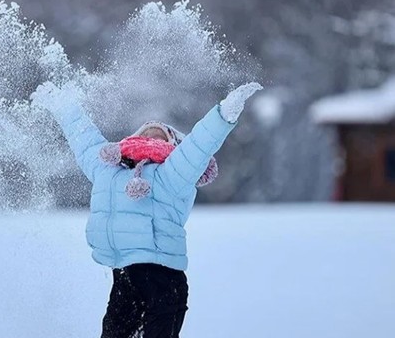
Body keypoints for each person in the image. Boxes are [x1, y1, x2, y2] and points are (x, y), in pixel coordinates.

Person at [31, 81, 262, 338]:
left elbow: (199, 145)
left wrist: (223, 114)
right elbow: (84, 139)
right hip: (125, 277)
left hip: (163, 280)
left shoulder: (173, 173)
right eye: (146, 133)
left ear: (174, 146)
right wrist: (62, 106)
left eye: (161, 135)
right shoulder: (109, 168)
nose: (152, 137)